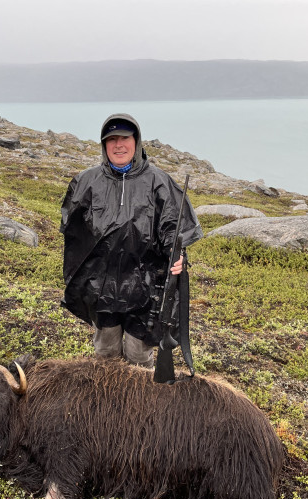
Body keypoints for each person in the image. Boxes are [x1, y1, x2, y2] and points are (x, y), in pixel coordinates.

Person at [60, 113, 203, 368]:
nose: (118, 145)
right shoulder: (86, 181)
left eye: (124, 138)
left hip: (146, 286)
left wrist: (178, 255)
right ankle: (108, 403)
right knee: (106, 352)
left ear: (136, 141)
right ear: (104, 145)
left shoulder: (159, 181)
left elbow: (175, 226)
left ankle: (140, 404)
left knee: (138, 356)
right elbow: (73, 232)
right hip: (101, 286)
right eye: (111, 139)